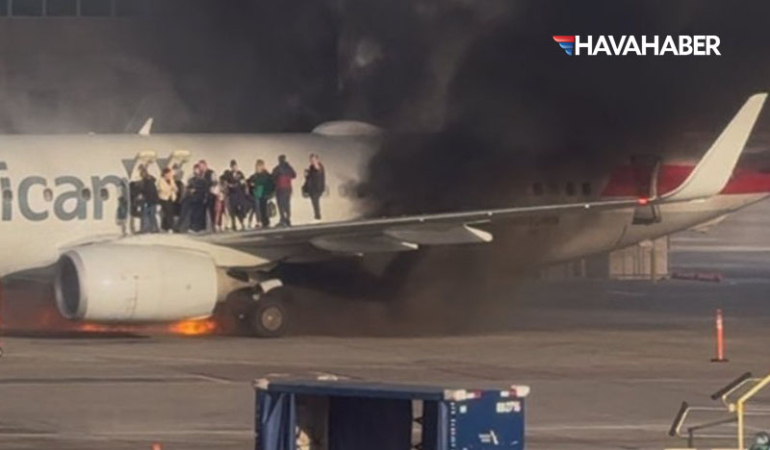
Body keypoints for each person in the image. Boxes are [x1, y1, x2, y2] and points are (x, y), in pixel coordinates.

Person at [221, 160, 249, 230]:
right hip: (232, 194)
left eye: (235, 166)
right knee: (233, 210)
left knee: (240, 210)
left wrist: (237, 185)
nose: (235, 168)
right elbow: (222, 178)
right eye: (233, 166)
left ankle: (242, 223)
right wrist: (227, 184)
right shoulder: (228, 174)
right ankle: (234, 224)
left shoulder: (240, 174)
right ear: (231, 167)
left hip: (239, 194)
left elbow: (243, 182)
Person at [248, 159, 274, 228]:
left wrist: (271, 193)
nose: (256, 167)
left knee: (262, 207)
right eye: (256, 166)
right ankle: (261, 221)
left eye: (258, 166)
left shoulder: (265, 175)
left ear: (262, 166)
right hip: (258, 192)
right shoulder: (256, 175)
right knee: (259, 207)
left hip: (263, 192)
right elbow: (249, 181)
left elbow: (270, 183)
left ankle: (264, 221)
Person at [272, 154, 296, 226]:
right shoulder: (289, 168)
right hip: (288, 188)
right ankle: (287, 219)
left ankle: (283, 219)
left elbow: (273, 178)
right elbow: (294, 175)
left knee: (281, 204)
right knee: (287, 204)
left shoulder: (277, 168)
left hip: (280, 188)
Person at [303, 153, 326, 222]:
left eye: (313, 159)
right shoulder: (311, 167)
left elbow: (318, 171)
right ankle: (317, 216)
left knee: (315, 202)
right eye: (311, 160)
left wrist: (315, 164)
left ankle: (318, 217)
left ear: (317, 159)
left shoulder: (319, 166)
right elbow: (310, 177)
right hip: (312, 188)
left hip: (317, 188)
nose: (312, 161)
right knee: (314, 202)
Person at [138, 165, 159, 233]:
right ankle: (154, 228)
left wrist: (142, 194)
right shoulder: (151, 180)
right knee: (152, 215)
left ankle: (146, 229)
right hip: (153, 200)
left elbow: (147, 191)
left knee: (146, 215)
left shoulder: (146, 181)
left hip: (148, 200)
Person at [157, 168, 178, 232]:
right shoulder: (161, 180)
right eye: (168, 173)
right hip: (164, 198)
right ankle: (168, 227)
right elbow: (162, 189)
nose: (169, 175)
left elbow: (175, 188)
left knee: (170, 212)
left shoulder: (171, 180)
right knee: (167, 212)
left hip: (171, 198)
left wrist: (173, 189)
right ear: (165, 174)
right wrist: (170, 189)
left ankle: (168, 226)